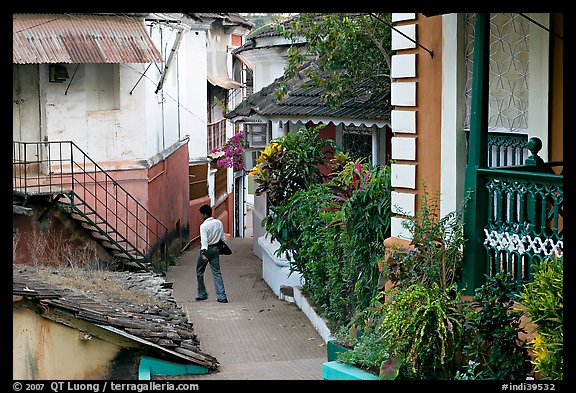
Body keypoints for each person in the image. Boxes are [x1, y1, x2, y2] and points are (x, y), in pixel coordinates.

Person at [195, 204, 228, 303]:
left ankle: (202, 294)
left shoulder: (203, 226)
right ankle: (222, 296)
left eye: (201, 214)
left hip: (206, 250)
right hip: (216, 249)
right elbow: (223, 238)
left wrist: (203, 253)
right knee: (217, 272)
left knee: (199, 271)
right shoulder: (218, 223)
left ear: (205, 215)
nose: (201, 216)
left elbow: (204, 241)